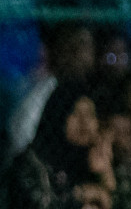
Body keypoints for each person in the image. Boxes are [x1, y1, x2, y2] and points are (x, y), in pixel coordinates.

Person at [2, 85, 115, 209]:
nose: (84, 123)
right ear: (58, 116)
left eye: (90, 115)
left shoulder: (94, 161)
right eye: (75, 114)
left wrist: (106, 176)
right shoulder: (32, 162)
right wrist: (78, 195)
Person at [8, 22, 95, 155]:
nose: (79, 54)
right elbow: (22, 139)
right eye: (71, 47)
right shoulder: (43, 91)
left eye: (85, 46)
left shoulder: (96, 89)